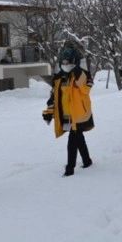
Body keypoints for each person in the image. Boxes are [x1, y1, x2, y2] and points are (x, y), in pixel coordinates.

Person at [42, 46, 94, 177]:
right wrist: (49, 112)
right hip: (66, 116)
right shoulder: (58, 79)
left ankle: (70, 168)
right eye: (63, 63)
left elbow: (85, 89)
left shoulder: (84, 75)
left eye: (69, 62)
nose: (66, 65)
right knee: (79, 139)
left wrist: (76, 70)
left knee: (73, 140)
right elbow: (54, 97)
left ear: (74, 62)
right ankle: (87, 161)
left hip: (79, 115)